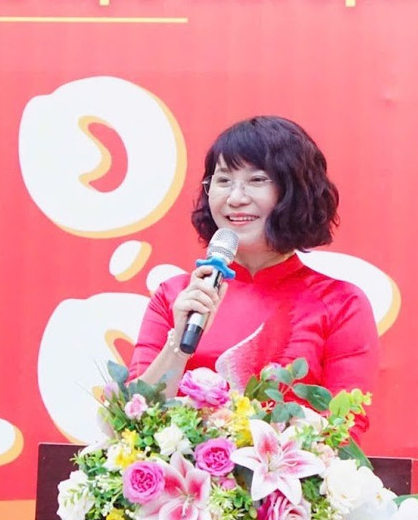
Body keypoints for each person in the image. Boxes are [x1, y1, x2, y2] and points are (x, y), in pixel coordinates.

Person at [127, 115, 381, 438]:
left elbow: (344, 431)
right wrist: (178, 344)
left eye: (257, 180)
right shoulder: (176, 296)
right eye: (223, 180)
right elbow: (131, 423)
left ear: (295, 191)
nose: (235, 198)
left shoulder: (341, 304)